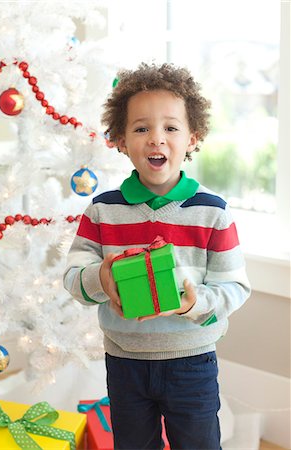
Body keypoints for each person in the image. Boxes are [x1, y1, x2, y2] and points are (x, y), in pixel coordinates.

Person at [64, 63, 251, 450]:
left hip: (192, 361)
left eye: (170, 127)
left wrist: (195, 302)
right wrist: (102, 277)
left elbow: (234, 287)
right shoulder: (102, 210)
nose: (156, 139)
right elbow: (73, 277)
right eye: (141, 128)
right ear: (120, 139)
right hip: (125, 361)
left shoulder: (211, 211)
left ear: (192, 138)